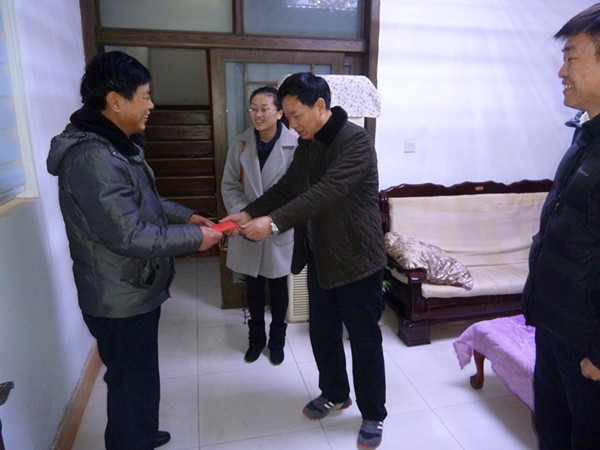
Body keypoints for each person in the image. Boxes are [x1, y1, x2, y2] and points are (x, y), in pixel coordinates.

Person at [46, 51, 222, 450]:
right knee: (129, 382)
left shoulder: (117, 146)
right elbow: (129, 236)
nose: (151, 105)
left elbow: (146, 203)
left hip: (130, 287)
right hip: (118, 296)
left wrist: (188, 217)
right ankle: (131, 439)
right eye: (144, 96)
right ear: (114, 100)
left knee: (139, 377)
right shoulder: (93, 158)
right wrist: (196, 238)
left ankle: (141, 432)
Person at [223, 72, 387, 448]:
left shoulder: (356, 142)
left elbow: (326, 192)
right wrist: (248, 212)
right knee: (322, 333)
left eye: (296, 116)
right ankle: (335, 393)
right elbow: (288, 188)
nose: (292, 125)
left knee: (364, 340)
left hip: (358, 259)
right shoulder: (308, 144)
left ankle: (373, 413)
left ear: (320, 106)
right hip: (321, 255)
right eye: (288, 116)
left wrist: (273, 223)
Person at [522, 4, 600, 449]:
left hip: (587, 342)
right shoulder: (584, 134)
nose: (561, 72)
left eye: (571, 58)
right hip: (555, 325)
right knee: (551, 432)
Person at [221, 86, 298, 365]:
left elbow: (296, 192)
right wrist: (246, 214)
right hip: (247, 225)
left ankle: (277, 340)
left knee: (278, 285)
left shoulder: (295, 145)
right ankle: (256, 338)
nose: (258, 114)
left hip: (278, 225)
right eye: (253, 108)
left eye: (265, 109)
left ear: (279, 113)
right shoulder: (240, 144)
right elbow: (229, 184)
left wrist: (270, 219)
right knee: (252, 284)